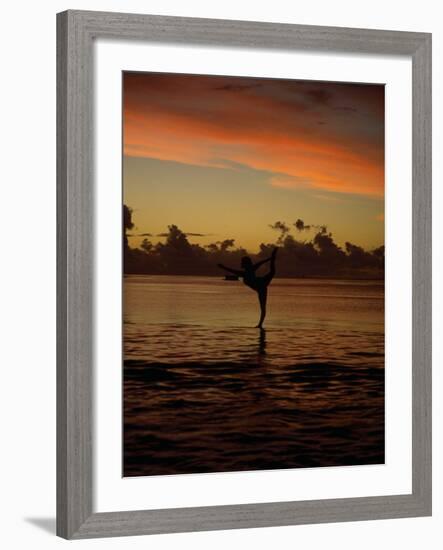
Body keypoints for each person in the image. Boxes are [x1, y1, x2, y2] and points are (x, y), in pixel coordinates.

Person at [218, 247, 278, 328]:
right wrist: (270, 258)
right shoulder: (247, 272)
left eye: (242, 262)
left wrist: (223, 267)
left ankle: (260, 325)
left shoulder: (247, 272)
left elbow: (260, 263)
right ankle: (260, 325)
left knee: (263, 307)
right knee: (272, 272)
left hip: (261, 285)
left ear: (245, 263)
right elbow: (236, 273)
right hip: (260, 283)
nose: (241, 264)